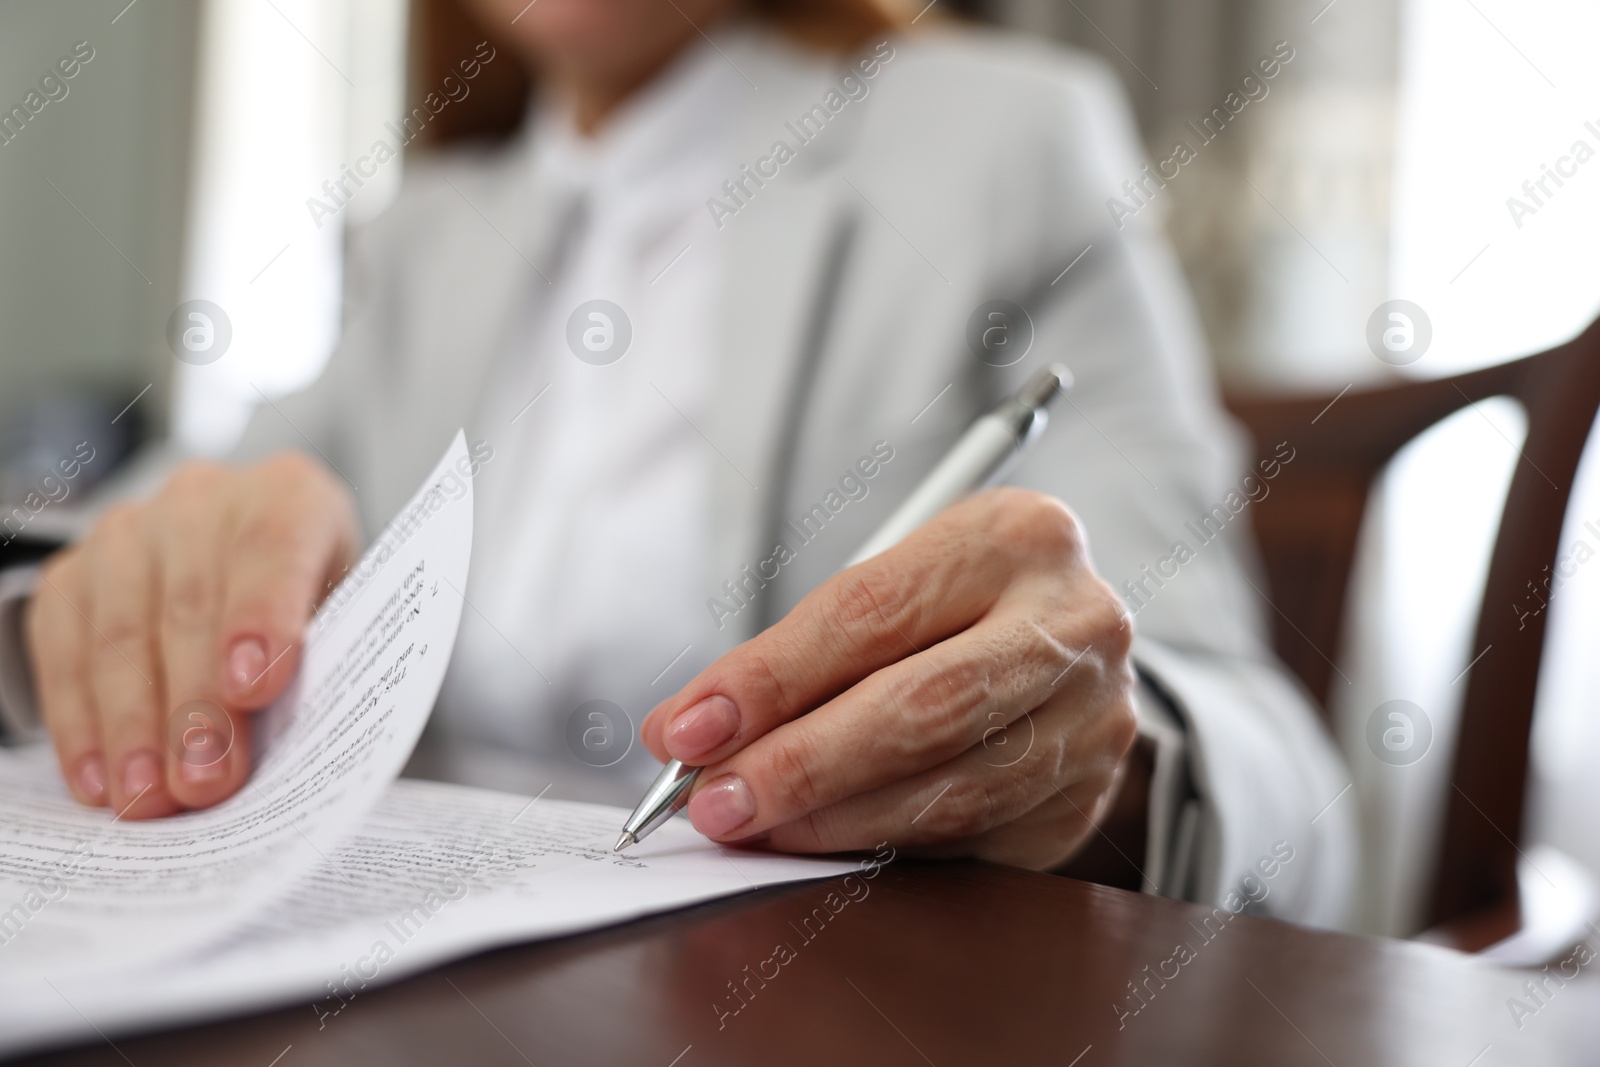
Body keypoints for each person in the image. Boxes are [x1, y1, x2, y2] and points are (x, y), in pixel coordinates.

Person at [2, 0, 1352, 923]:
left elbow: (1279, 776)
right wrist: (97, 608)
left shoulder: (1007, 141)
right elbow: (132, 559)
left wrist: (1093, 770)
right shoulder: (423, 235)